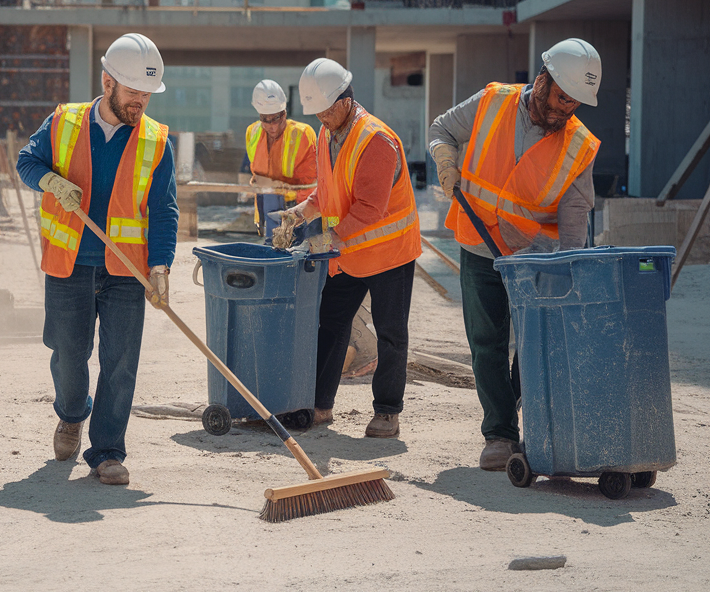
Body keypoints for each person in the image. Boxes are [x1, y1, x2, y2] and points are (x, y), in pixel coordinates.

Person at [429, 38, 601, 471]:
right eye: (563, 97)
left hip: (533, 257)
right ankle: (500, 433)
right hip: (478, 243)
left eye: (576, 103)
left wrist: (568, 267)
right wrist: (446, 162)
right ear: (544, 80)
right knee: (486, 342)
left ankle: (526, 410)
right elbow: (441, 129)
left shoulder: (578, 144)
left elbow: (575, 213)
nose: (566, 109)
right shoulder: (492, 102)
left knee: (533, 341)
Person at [17, 33, 178, 486]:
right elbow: (26, 162)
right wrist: (50, 181)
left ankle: (107, 451)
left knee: (121, 362)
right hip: (70, 264)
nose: (141, 102)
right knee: (69, 355)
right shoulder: (64, 122)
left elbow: (164, 210)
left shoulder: (156, 140)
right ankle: (71, 414)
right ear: (107, 83)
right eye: (133, 92)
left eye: (147, 94)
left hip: (127, 270)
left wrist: (161, 266)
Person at [277, 58, 421, 439]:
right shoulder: (329, 133)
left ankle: (387, 412)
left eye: (325, 110)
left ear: (345, 100)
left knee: (391, 333)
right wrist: (302, 210)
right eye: (316, 112)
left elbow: (369, 209)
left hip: (389, 253)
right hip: (352, 252)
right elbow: (329, 191)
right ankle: (320, 405)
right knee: (331, 320)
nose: (320, 118)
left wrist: (322, 241)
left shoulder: (375, 140)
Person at [243, 79, 317, 187]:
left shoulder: (302, 134)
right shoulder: (253, 132)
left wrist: (278, 185)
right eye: (265, 120)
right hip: (262, 202)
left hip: (293, 203)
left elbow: (311, 184)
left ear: (284, 114)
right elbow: (256, 173)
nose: (271, 126)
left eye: (276, 119)